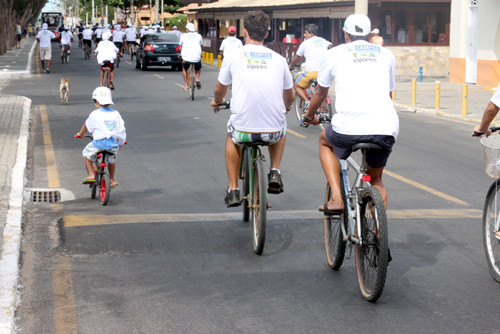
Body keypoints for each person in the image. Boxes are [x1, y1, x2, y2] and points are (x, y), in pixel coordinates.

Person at [302, 13, 398, 214]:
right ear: (370, 34)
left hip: (348, 129)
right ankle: (380, 239)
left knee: (323, 141)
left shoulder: (334, 54)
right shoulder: (387, 55)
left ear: (346, 35)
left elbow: (320, 93)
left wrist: (309, 115)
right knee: (376, 179)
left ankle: (337, 198)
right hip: (386, 127)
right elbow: (389, 94)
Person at [210, 10, 295, 207]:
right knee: (281, 123)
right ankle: (274, 171)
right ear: (266, 34)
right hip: (272, 133)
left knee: (232, 136)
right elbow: (289, 96)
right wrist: (287, 107)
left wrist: (217, 100)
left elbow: (219, 89)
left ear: (244, 32)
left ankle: (233, 189)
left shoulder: (233, 56)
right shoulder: (279, 60)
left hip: (243, 132)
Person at [75, 86, 126, 189]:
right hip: (112, 144)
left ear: (97, 101)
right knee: (111, 160)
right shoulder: (116, 114)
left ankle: (91, 174)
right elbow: (121, 128)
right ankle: (112, 180)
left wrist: (80, 134)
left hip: (98, 143)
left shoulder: (95, 114)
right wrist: (121, 141)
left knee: (86, 154)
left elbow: (86, 126)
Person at [288, 24, 331, 107]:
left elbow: (297, 57)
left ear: (311, 34)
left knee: (296, 85)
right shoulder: (324, 41)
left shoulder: (305, 43)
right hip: (324, 73)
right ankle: (323, 109)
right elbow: (330, 46)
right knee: (321, 90)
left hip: (312, 72)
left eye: (305, 33)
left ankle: (307, 101)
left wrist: (291, 66)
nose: (304, 35)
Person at [180, 23, 203, 90]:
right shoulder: (199, 36)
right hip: (196, 57)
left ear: (187, 29)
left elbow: (181, 45)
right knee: (198, 68)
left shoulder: (183, 36)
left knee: (184, 68)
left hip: (186, 57)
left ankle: (186, 85)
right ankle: (197, 78)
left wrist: (180, 54)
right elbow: (201, 44)